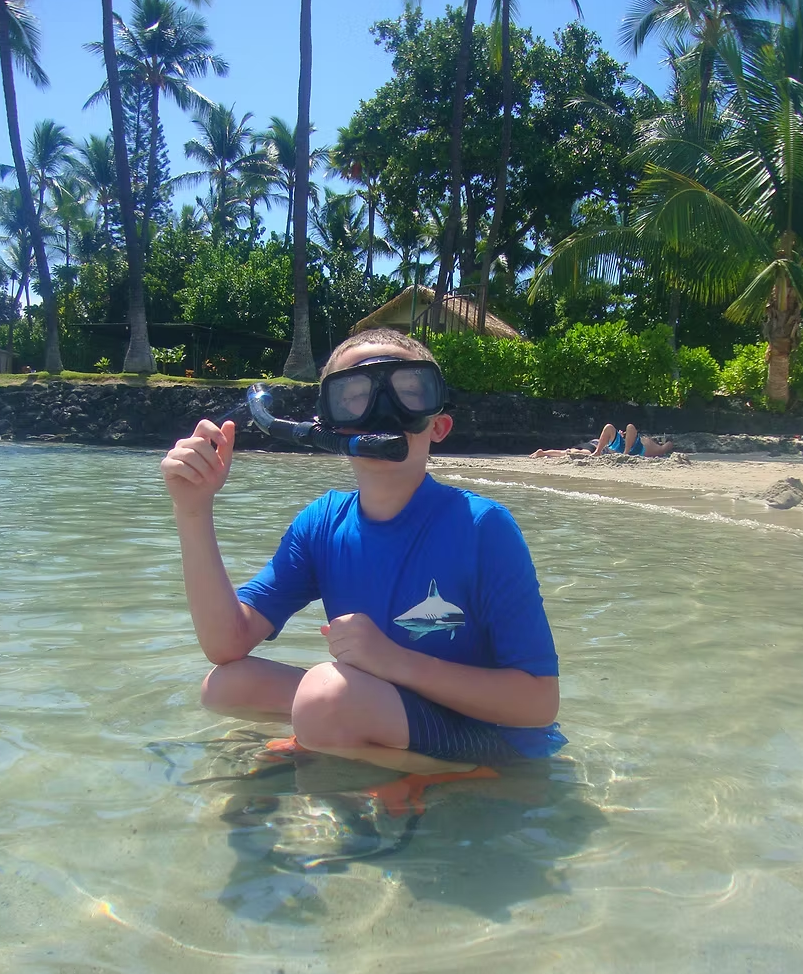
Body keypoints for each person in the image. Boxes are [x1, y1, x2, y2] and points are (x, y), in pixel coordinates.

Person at [160, 327, 566, 779]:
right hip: (389, 709)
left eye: (408, 393)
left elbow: (539, 704)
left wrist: (394, 660)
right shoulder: (323, 523)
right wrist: (192, 509)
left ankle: (459, 777)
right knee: (227, 687)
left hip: (493, 739)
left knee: (324, 695)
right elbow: (226, 644)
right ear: (328, 425)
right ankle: (347, 740)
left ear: (438, 424)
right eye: (354, 396)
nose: (382, 414)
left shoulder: (482, 527)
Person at [531, 422, 675, 459]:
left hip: (620, 448)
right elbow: (668, 445)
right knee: (610, 427)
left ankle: (544, 453)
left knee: (571, 452)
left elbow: (667, 446)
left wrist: (667, 444)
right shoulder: (648, 443)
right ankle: (622, 453)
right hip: (614, 447)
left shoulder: (652, 446)